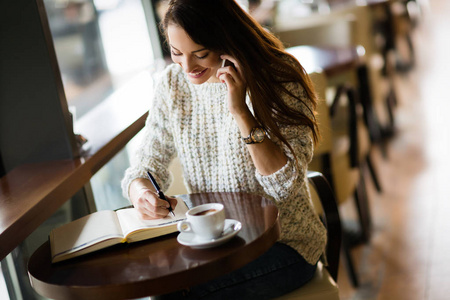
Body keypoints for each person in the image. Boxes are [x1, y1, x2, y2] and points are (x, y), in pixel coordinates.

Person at [121, 0, 327, 298]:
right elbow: (144, 164)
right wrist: (141, 193)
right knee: (161, 289)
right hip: (214, 247)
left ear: (226, 40)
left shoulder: (279, 76)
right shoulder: (172, 85)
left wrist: (241, 111)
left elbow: (284, 186)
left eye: (200, 54)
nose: (187, 67)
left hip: (284, 245)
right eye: (176, 53)